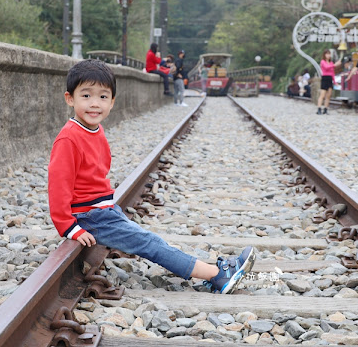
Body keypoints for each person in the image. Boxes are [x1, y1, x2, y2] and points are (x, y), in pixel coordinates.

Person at [48, 59, 255, 294]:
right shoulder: (69, 138)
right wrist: (69, 228)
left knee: (151, 240)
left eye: (103, 97)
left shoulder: (95, 130)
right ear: (70, 99)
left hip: (103, 211)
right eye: (86, 96)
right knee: (149, 244)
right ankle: (218, 276)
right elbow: (58, 187)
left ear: (113, 102)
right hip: (90, 216)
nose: (95, 104)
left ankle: (210, 271)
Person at [317, 50, 341, 115]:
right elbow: (326, 68)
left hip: (330, 78)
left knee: (328, 95)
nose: (328, 56)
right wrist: (335, 65)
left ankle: (325, 109)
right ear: (324, 55)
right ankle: (319, 108)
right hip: (325, 78)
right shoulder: (323, 62)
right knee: (322, 94)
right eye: (327, 54)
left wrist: (334, 81)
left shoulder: (331, 63)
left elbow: (332, 72)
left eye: (329, 54)